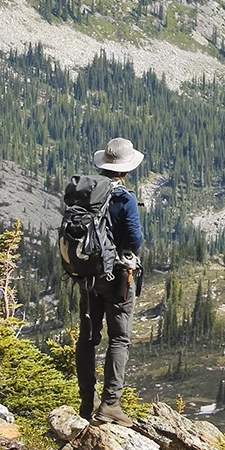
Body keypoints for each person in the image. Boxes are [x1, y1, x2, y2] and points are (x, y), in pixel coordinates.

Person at [75, 136, 144, 426]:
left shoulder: (87, 192)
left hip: (88, 274)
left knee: (88, 338)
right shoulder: (123, 197)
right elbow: (134, 239)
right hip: (117, 277)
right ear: (126, 169)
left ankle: (86, 402)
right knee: (119, 338)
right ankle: (110, 404)